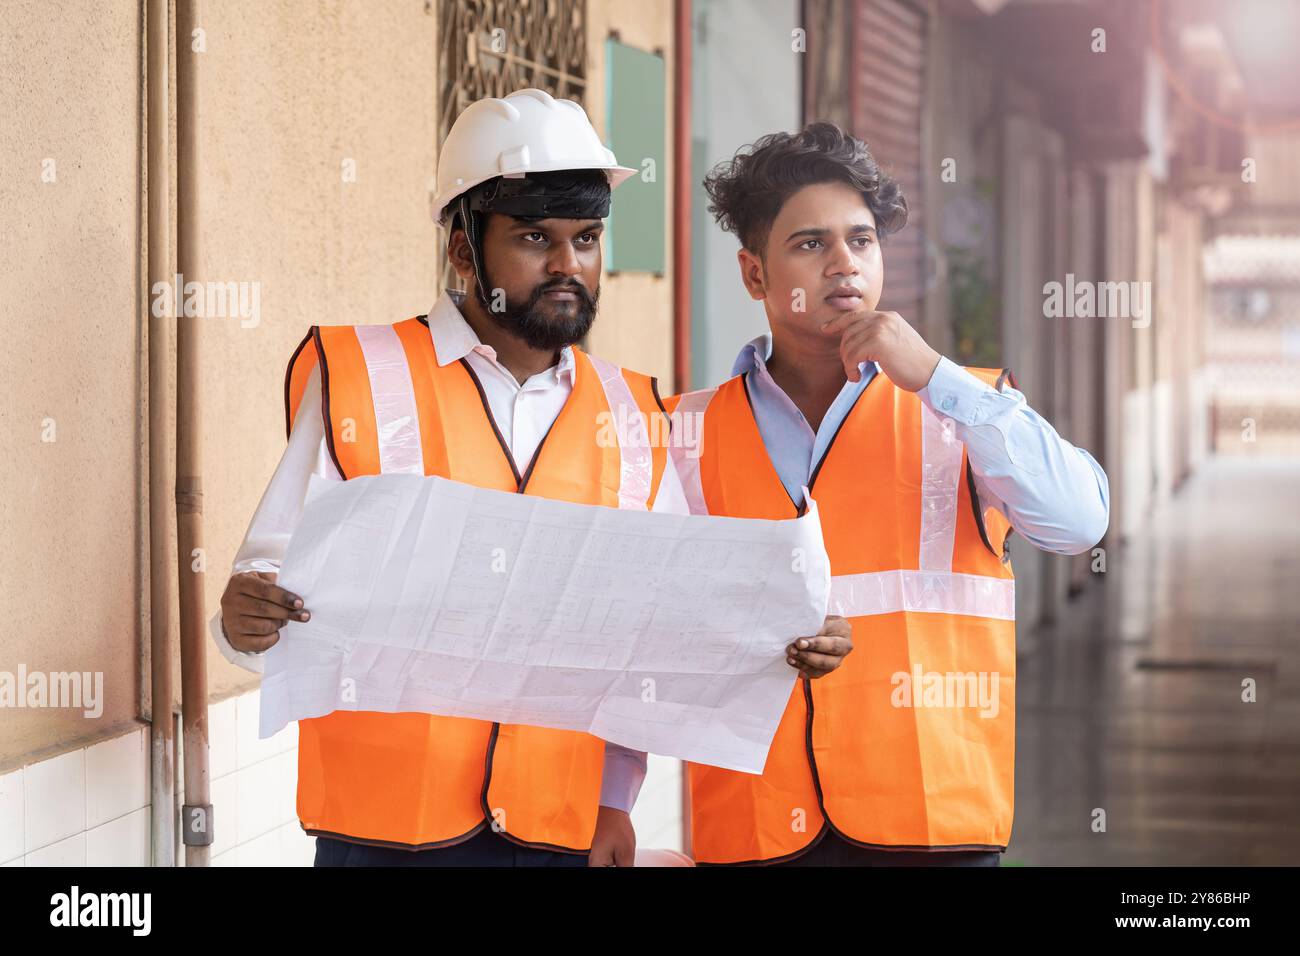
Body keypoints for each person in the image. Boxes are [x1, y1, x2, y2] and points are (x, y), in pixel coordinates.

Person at [211, 88, 688, 867]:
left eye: (588, 237)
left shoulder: (632, 413)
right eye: (536, 237)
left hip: (558, 829)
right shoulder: (360, 375)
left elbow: (641, 626)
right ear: (464, 250)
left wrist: (613, 799)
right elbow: (269, 580)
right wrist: (242, 622)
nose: (569, 264)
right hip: (385, 832)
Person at [660, 122, 1110, 866]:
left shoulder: (964, 409)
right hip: (755, 824)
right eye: (810, 244)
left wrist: (940, 377)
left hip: (930, 822)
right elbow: (646, 615)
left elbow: (1079, 522)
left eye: (861, 241)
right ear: (754, 274)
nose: (843, 263)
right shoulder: (686, 429)